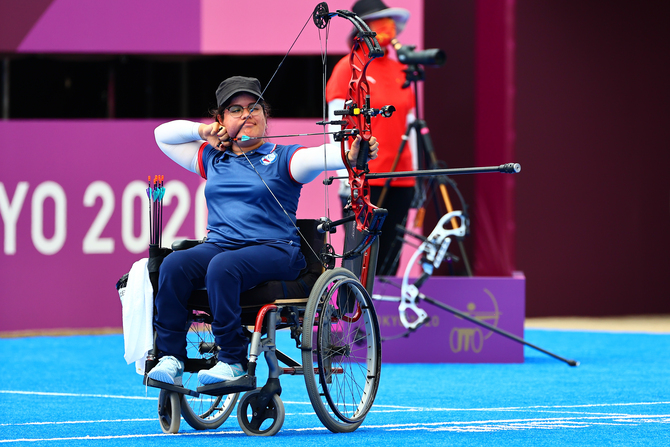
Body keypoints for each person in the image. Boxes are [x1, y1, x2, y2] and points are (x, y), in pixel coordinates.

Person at [146, 76, 378, 386]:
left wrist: (350, 153)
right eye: (235, 109)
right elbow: (162, 135)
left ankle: (232, 359)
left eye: (254, 107)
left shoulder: (284, 158)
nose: (247, 114)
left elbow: (318, 156)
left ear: (265, 116)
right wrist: (202, 132)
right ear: (220, 120)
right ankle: (171, 357)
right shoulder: (212, 157)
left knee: (223, 267)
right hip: (221, 245)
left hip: (275, 250)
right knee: (174, 264)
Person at [326, 0, 417, 276]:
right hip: (364, 179)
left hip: (402, 178)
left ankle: (384, 306)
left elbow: (410, 126)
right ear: (362, 28)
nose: (389, 28)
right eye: (380, 21)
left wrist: (416, 174)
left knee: (389, 260)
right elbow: (336, 126)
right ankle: (354, 304)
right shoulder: (347, 67)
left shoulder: (401, 70)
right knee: (361, 259)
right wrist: (345, 175)